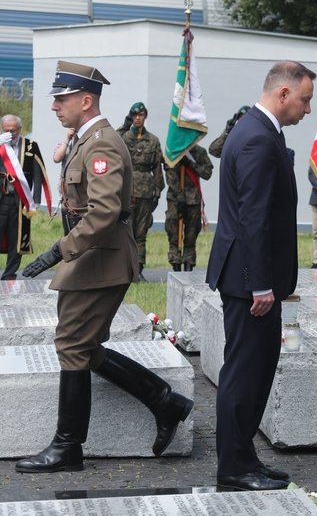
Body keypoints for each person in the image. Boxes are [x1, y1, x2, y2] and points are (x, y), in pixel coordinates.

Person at [16, 61, 192, 473]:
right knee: (81, 346)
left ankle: (67, 447)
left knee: (73, 347)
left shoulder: (103, 143)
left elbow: (104, 213)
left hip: (101, 258)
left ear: (85, 99)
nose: (56, 107)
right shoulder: (85, 138)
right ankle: (165, 402)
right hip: (93, 258)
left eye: (61, 99)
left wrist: (58, 251)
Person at [206, 60, 313, 491]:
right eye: (304, 99)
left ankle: (245, 457)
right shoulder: (255, 138)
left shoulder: (259, 131)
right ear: (283, 94)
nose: (308, 108)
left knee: (256, 370)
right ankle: (233, 468)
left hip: (251, 279)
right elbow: (252, 217)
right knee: (244, 374)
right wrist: (261, 284)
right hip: (250, 283)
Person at [117, 102, 164, 279]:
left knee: (141, 233)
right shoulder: (123, 137)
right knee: (125, 231)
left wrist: (158, 191)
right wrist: (124, 125)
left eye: (141, 115)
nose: (138, 118)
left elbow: (157, 168)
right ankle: (124, 268)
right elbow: (111, 141)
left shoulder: (153, 140)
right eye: (135, 115)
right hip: (126, 191)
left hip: (145, 192)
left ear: (145, 117)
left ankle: (138, 269)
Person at [0, 114, 48, 280]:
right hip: (1, 199)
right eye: (7, 130)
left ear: (20, 130)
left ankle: (9, 274)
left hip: (20, 201)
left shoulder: (30, 146)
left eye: (13, 130)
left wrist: (34, 200)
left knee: (17, 238)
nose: (10, 134)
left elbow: (37, 174)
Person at [164, 144, 213, 271]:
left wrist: (192, 165)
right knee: (173, 231)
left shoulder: (200, 151)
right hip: (175, 198)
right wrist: (179, 194)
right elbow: (169, 173)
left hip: (193, 198)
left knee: (191, 235)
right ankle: (175, 263)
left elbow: (207, 173)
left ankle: (188, 264)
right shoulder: (173, 149)